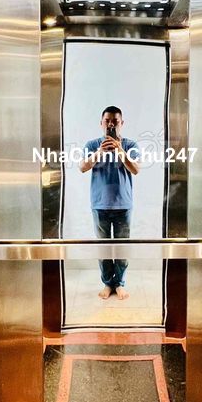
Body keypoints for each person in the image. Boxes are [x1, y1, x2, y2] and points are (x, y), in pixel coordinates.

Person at [80, 106, 140, 300]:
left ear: (122, 123)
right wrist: (100, 151)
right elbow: (82, 167)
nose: (111, 125)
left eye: (115, 121)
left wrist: (120, 150)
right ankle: (107, 283)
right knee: (103, 248)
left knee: (122, 249)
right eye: (107, 121)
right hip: (100, 205)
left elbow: (136, 169)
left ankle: (120, 284)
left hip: (123, 205)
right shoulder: (92, 145)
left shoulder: (130, 145)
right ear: (101, 123)